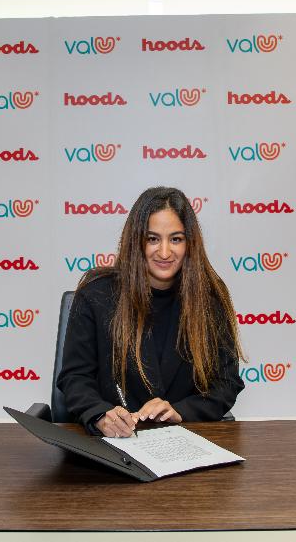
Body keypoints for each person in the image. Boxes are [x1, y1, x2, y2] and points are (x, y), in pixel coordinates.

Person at [57, 186, 246, 437]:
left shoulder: (210, 298)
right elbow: (75, 377)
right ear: (136, 241)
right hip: (112, 445)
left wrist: (181, 411)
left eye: (176, 239)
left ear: (190, 243)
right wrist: (100, 414)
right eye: (152, 239)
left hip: (185, 442)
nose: (165, 252)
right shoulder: (94, 295)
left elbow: (226, 383)